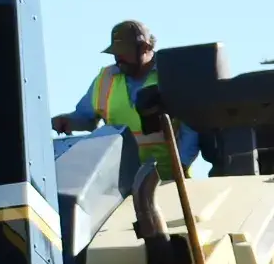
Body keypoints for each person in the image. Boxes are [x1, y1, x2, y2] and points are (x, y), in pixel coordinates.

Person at [48, 20, 199, 182]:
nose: (119, 58)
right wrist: (68, 121)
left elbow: (192, 128)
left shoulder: (171, 76)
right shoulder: (104, 79)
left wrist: (181, 167)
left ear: (145, 48)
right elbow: (86, 118)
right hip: (120, 185)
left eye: (124, 52)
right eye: (115, 53)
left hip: (169, 181)